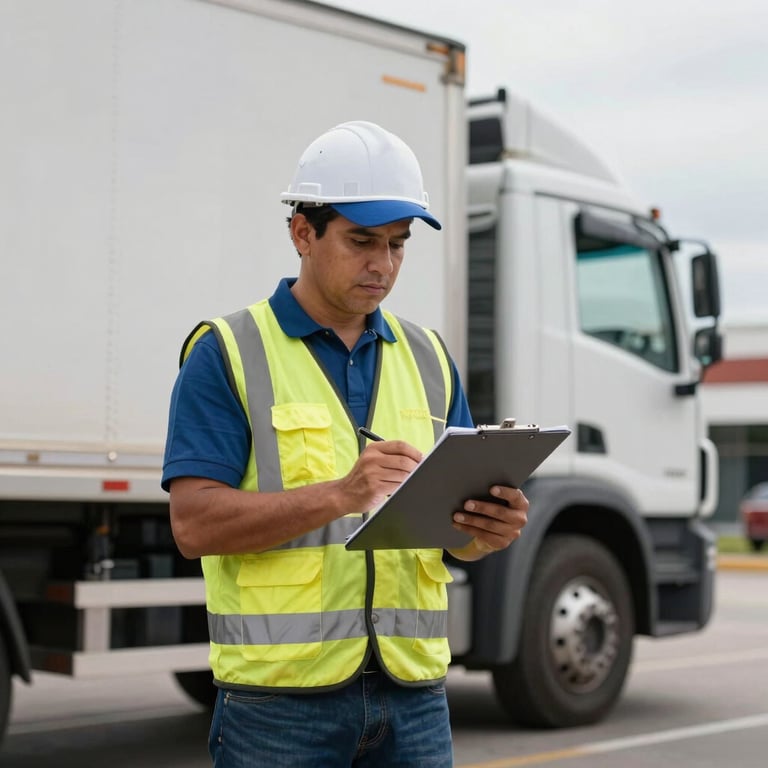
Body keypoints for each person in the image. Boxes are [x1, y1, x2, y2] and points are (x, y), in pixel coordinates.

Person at [162, 120, 529, 767]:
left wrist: (487, 531)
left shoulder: (429, 358)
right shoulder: (228, 352)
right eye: (362, 241)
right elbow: (193, 526)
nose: (382, 265)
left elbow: (459, 540)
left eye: (397, 244)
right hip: (278, 707)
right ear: (302, 233)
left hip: (414, 697)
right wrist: (340, 494)